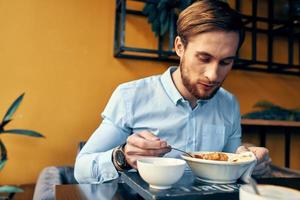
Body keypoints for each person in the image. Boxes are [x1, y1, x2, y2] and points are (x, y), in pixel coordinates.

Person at [74, 0, 271, 184]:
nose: (213, 75)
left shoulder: (229, 104)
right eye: (204, 58)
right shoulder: (130, 97)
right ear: (179, 47)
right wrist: (123, 157)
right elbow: (81, 169)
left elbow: (231, 162)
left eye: (226, 62)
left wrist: (250, 159)